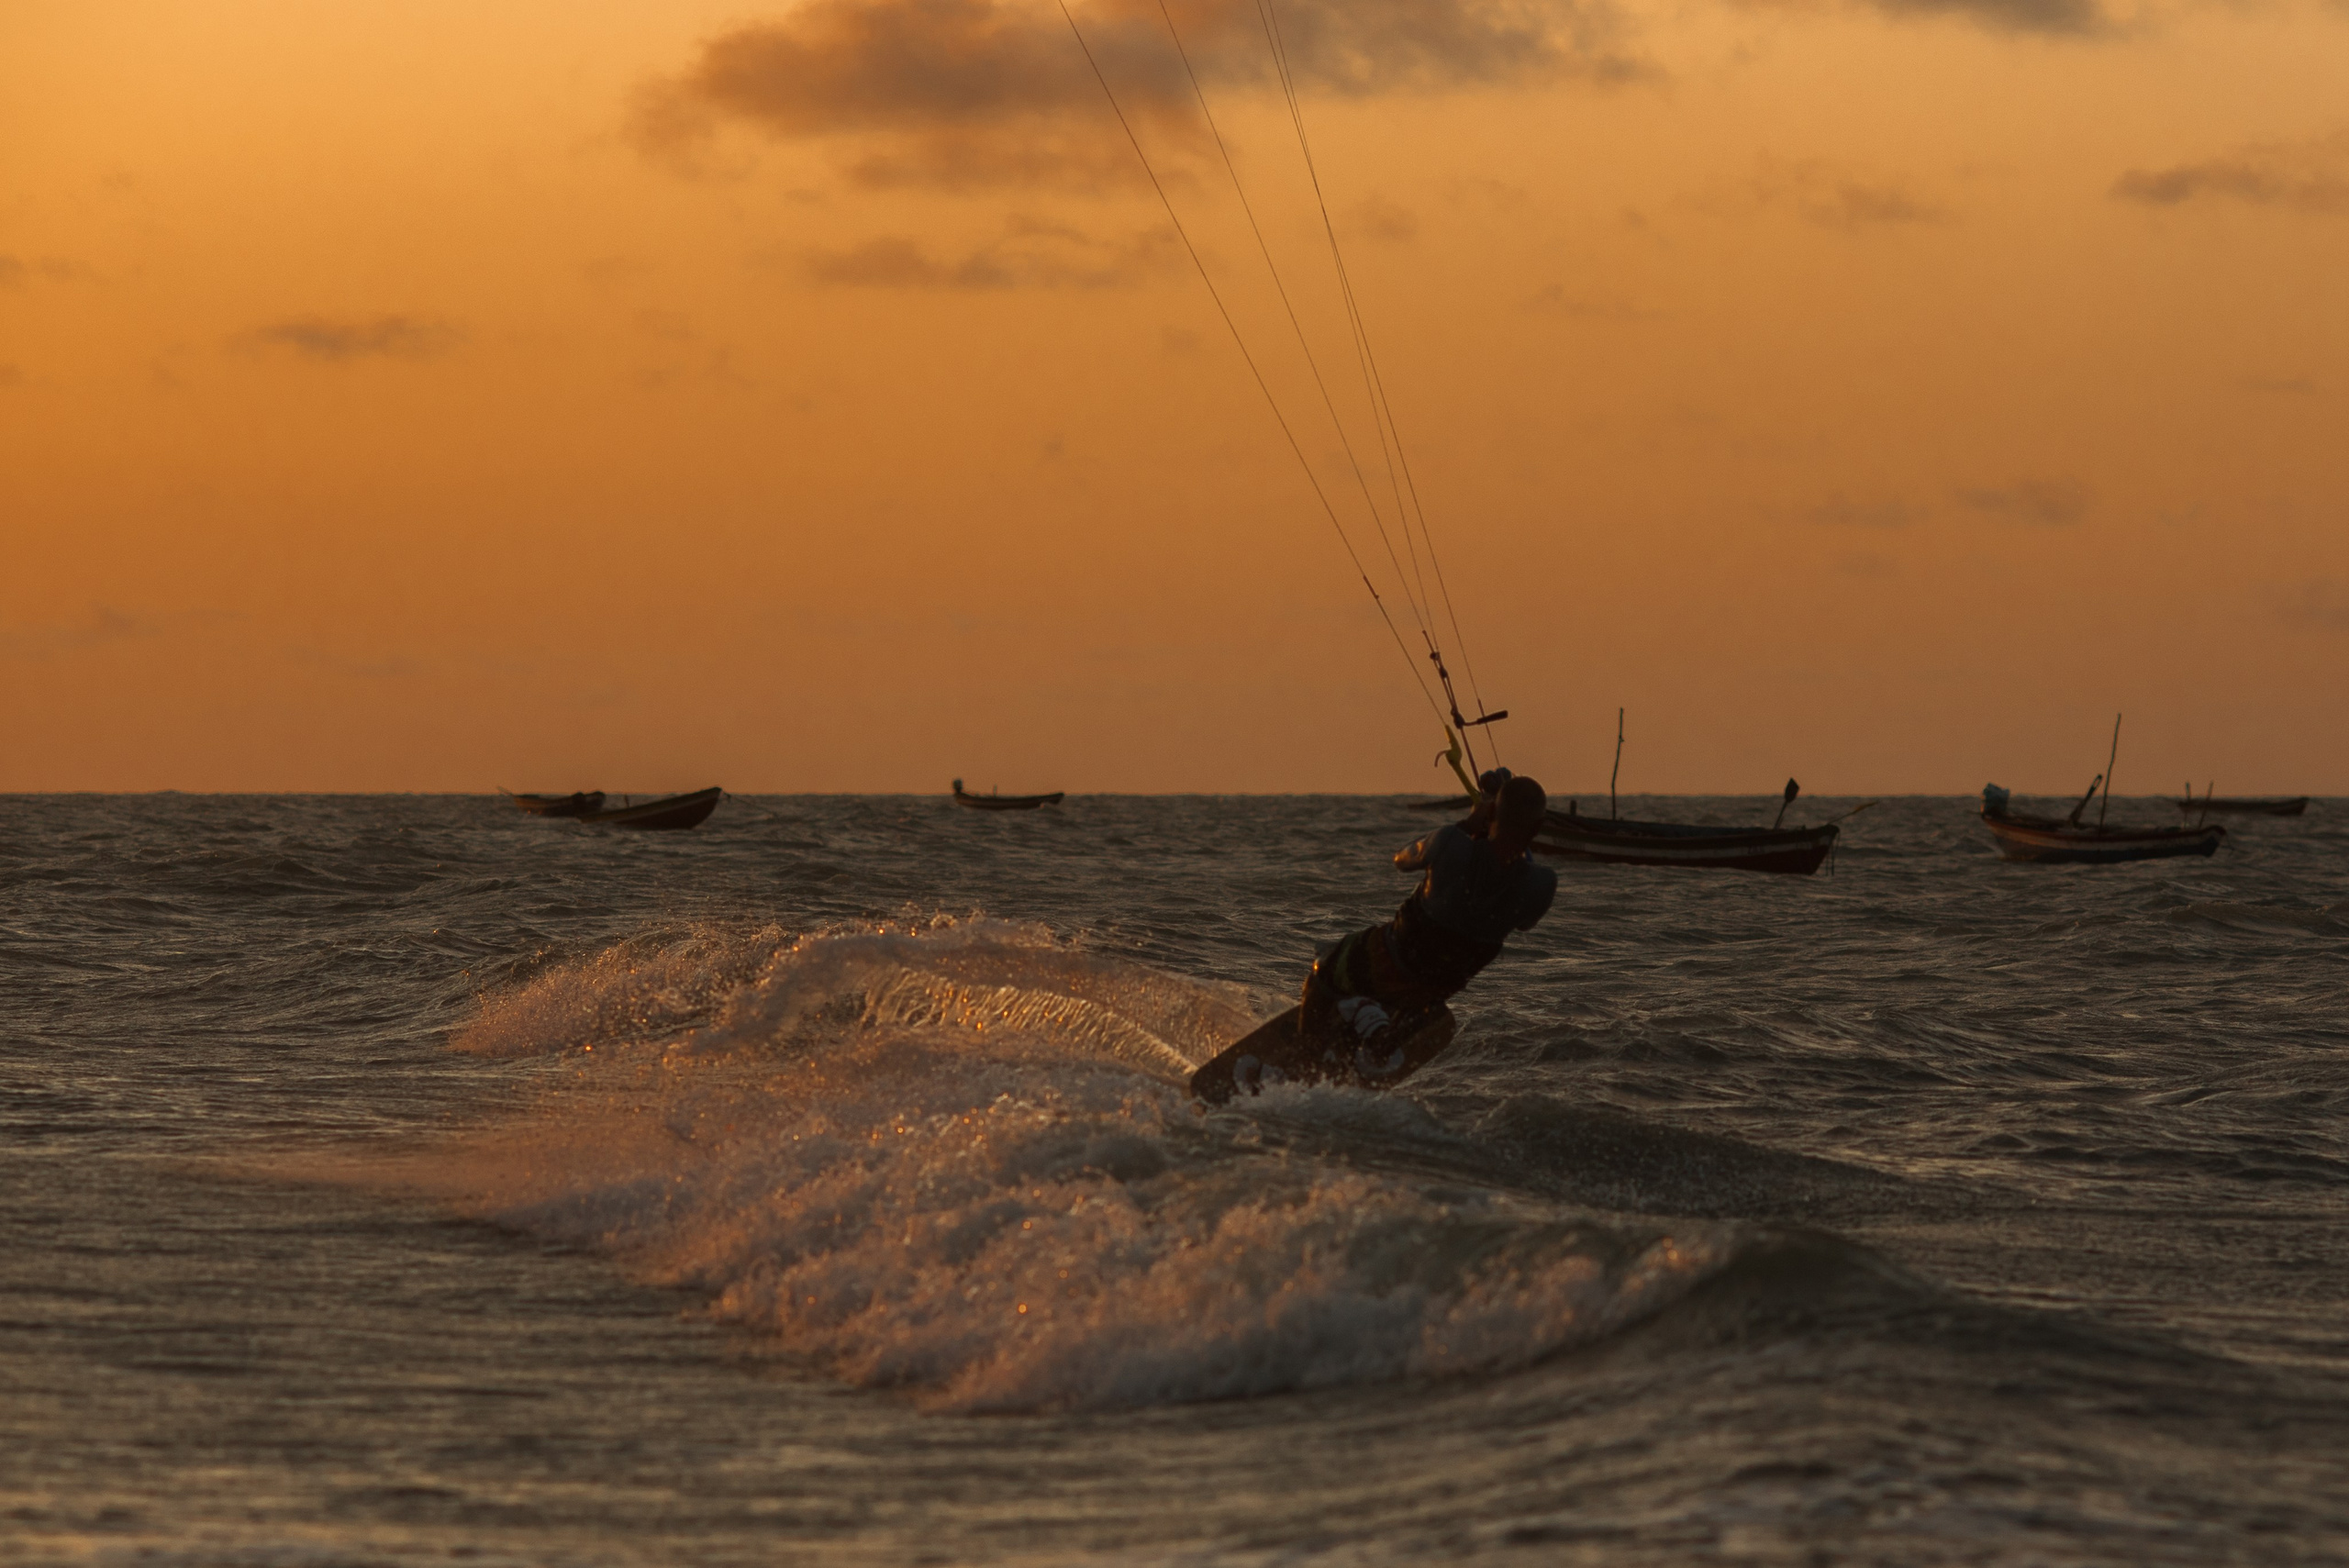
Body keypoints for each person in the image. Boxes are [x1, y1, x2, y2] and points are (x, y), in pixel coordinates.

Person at [1297, 770, 1557, 1084]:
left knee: (1322, 968)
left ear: (1490, 811)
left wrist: (1468, 825)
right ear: (1539, 828)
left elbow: (1401, 859)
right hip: (1436, 990)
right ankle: (1370, 1031)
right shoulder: (1541, 886)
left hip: (1389, 962)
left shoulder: (1450, 843)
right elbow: (1521, 913)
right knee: (1425, 978)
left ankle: (1310, 1058)